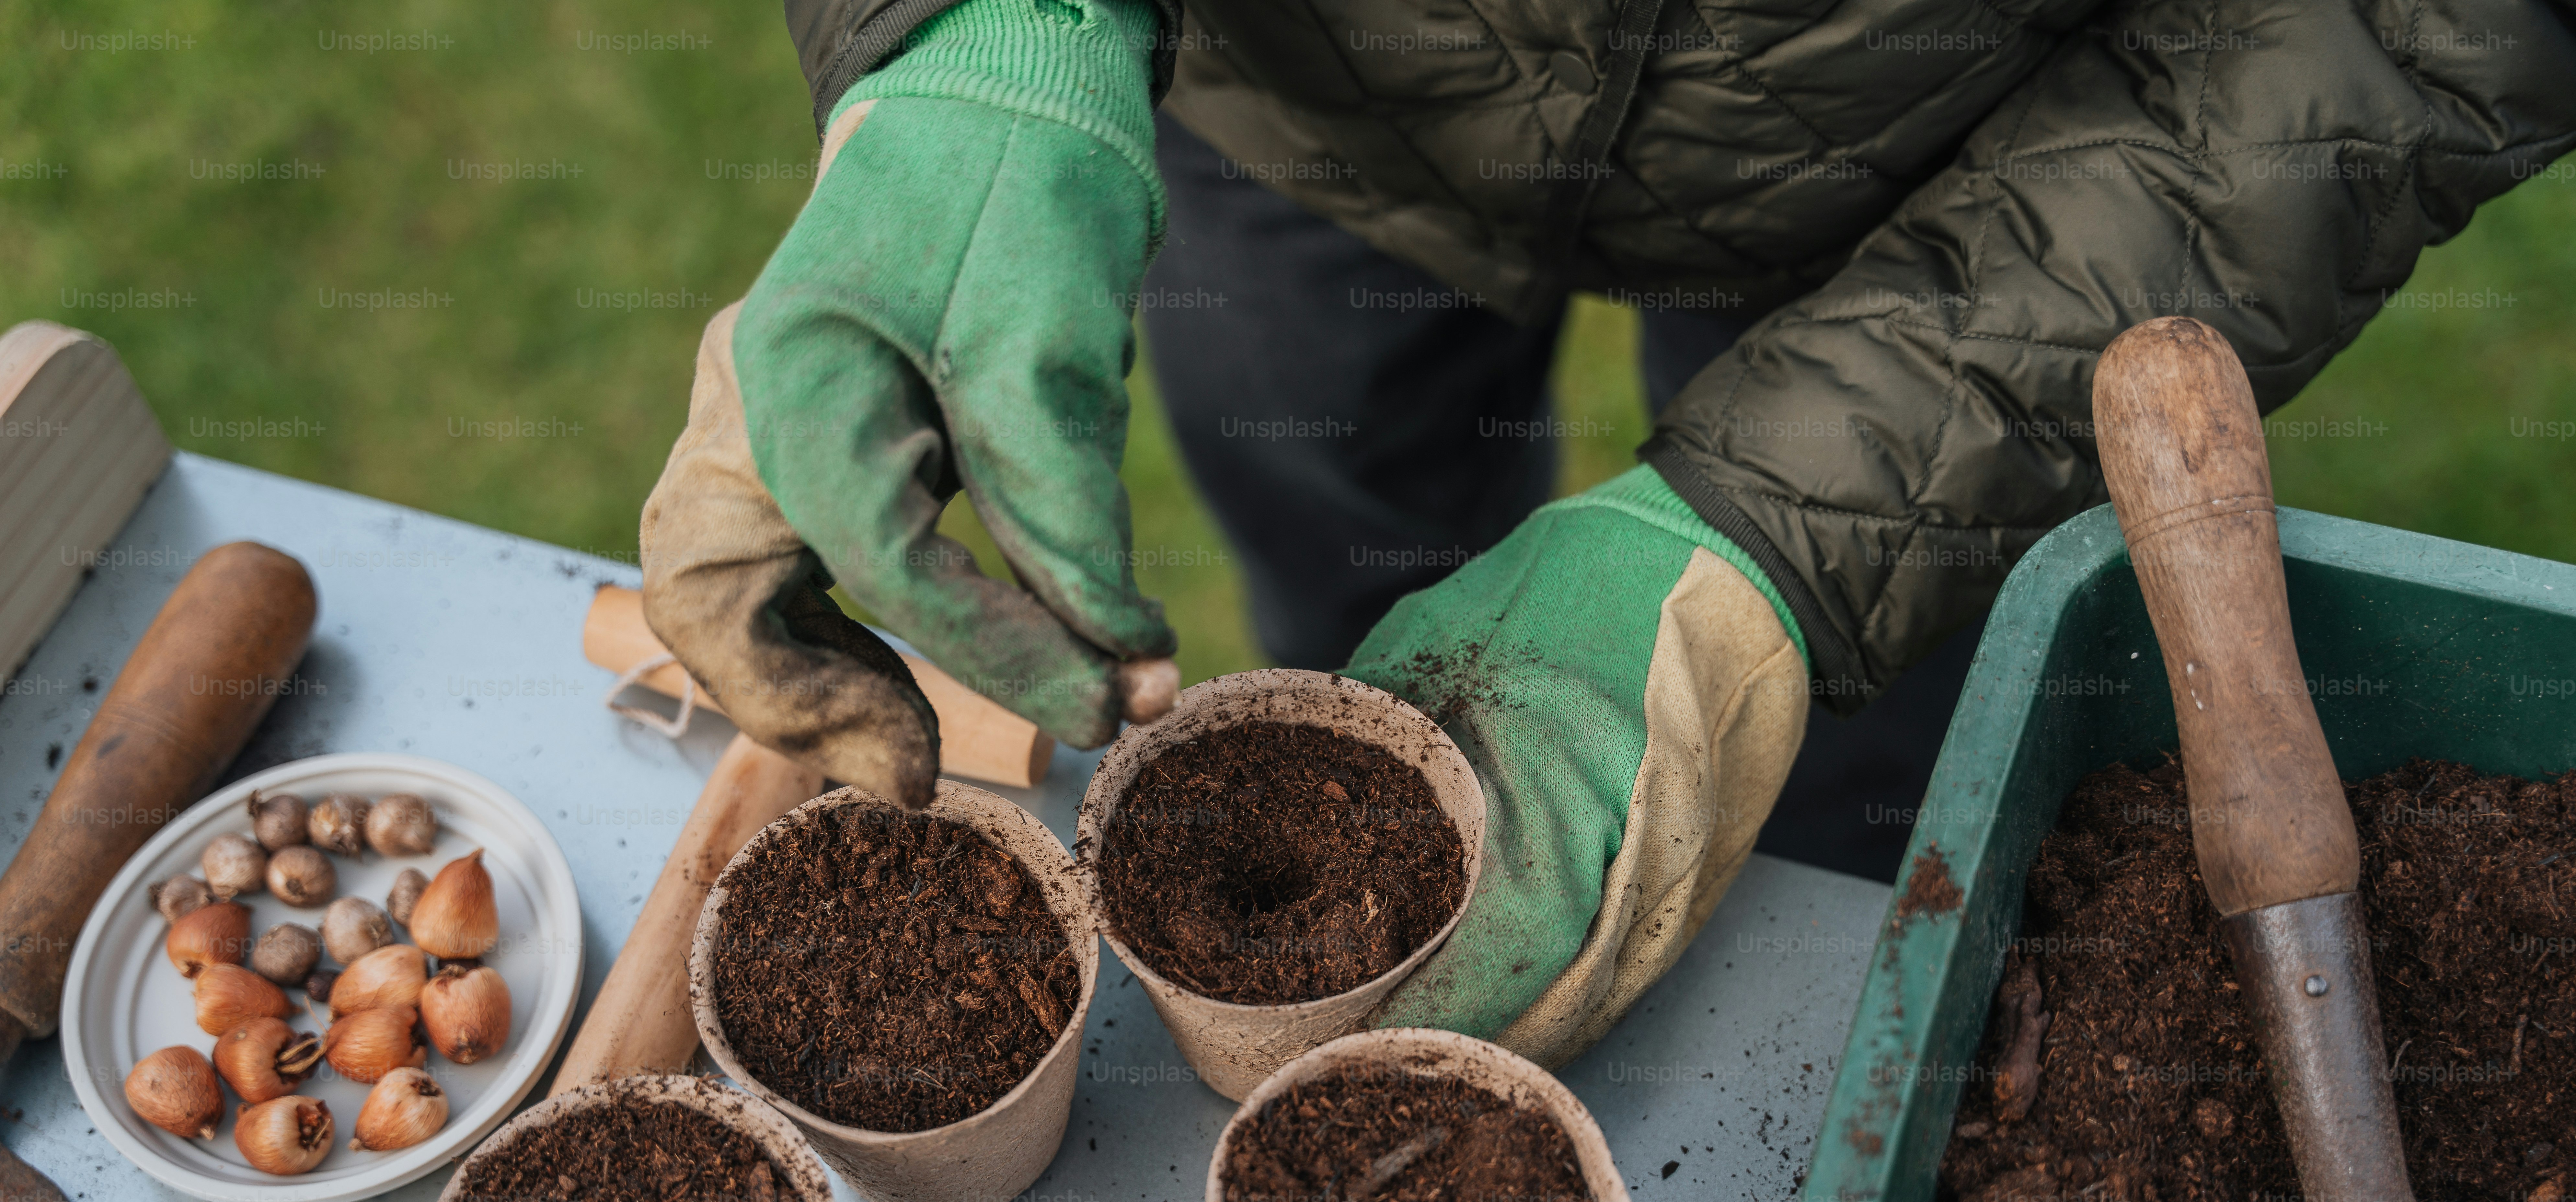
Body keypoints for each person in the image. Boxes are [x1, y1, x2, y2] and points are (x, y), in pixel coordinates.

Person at [641, 0, 2571, 1067]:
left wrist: (1790, 536)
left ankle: (1815, 1013)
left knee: (1834, 776)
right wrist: (984, 40)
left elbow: (2397, 33)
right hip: (1282, 101)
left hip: (1959, 191)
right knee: (1342, 565)